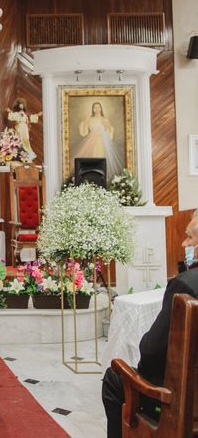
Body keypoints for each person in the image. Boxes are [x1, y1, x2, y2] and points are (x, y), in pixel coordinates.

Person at [101, 209, 198, 438]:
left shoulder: (185, 286)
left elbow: (151, 352)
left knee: (115, 378)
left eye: (190, 237)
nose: (184, 243)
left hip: (184, 406)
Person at [71, 101, 124, 180]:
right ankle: (91, 177)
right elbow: (84, 133)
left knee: (101, 158)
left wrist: (108, 127)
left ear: (101, 109)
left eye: (98, 107)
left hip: (102, 142)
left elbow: (110, 133)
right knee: (92, 158)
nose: (97, 109)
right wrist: (84, 122)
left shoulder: (105, 119)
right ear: (93, 109)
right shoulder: (89, 119)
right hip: (91, 142)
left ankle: (102, 177)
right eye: (95, 107)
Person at [6, 97, 41, 162]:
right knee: (20, 140)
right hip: (19, 127)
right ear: (18, 105)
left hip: (24, 128)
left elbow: (30, 118)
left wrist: (37, 115)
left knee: (26, 139)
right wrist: (10, 111)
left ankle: (27, 153)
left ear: (24, 105)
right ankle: (21, 154)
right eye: (20, 104)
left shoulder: (25, 114)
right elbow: (12, 116)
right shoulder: (16, 113)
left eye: (22, 104)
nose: (21, 105)